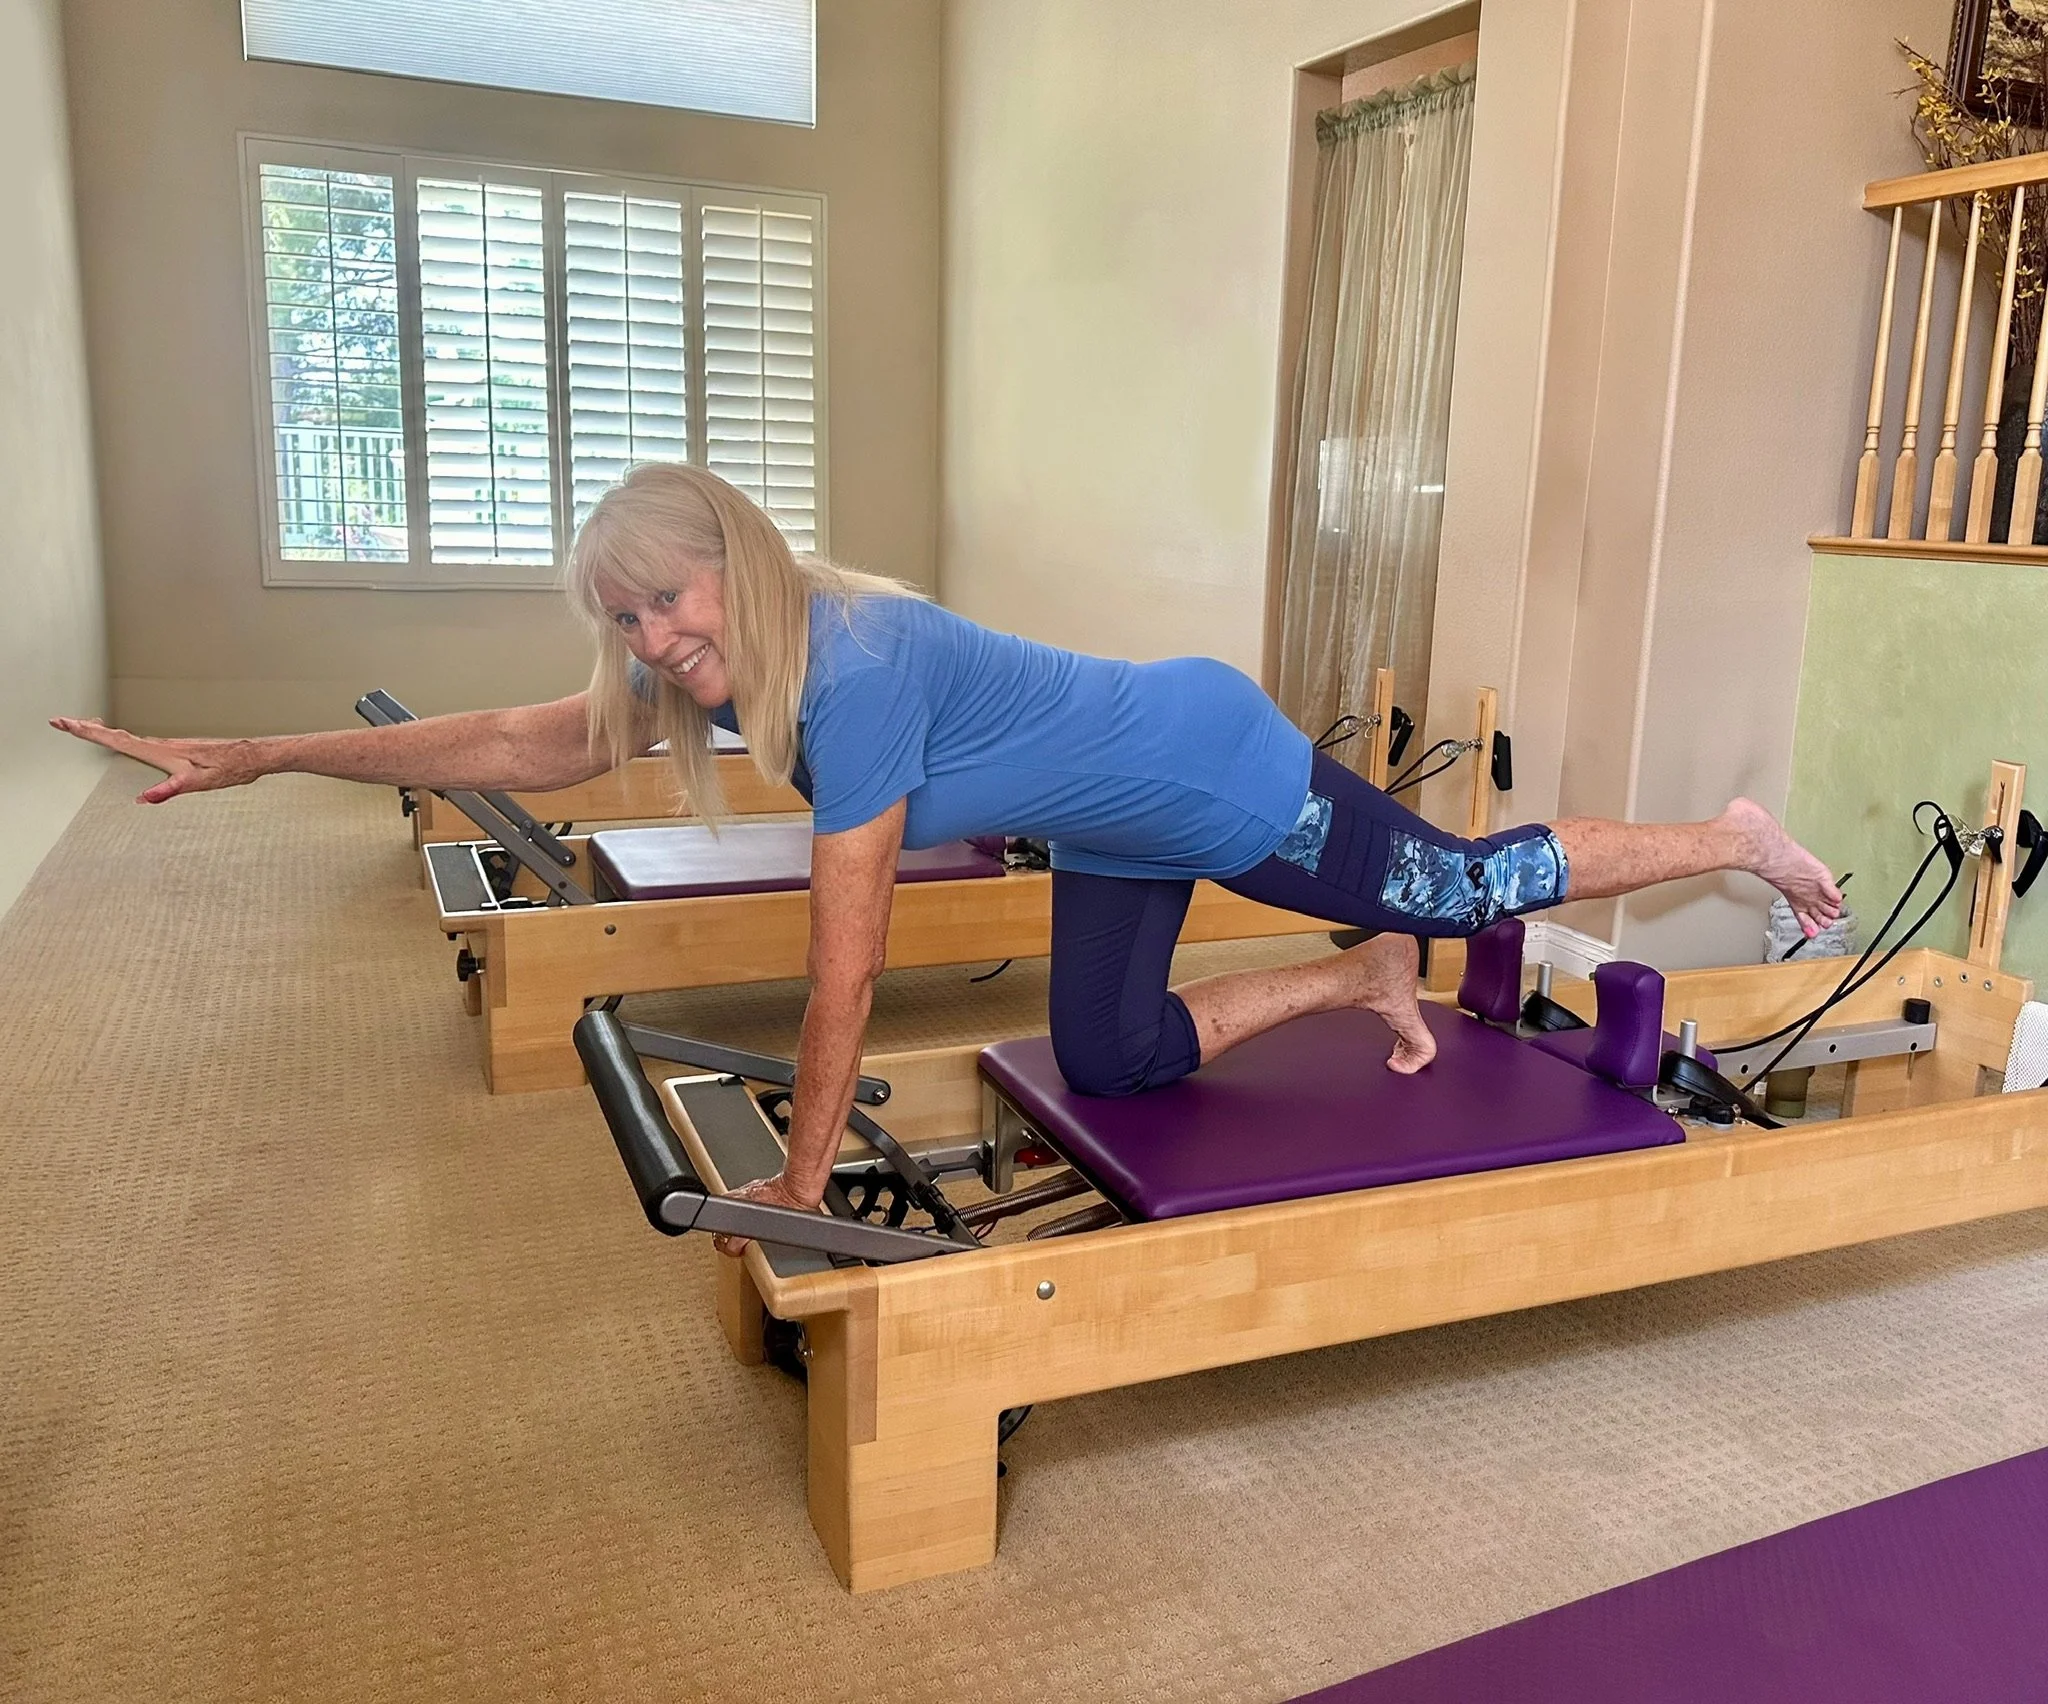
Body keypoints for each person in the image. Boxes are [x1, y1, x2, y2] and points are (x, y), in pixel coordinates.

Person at [54, 464, 1842, 1251]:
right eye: (630, 626)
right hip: (1117, 819)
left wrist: (802, 1179)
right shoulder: (756, 658)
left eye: (669, 603)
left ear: (731, 558)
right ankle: (1356, 970)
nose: (661, 646)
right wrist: (268, 749)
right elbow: (524, 742)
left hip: (1214, 777)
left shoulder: (861, 672)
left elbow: (848, 964)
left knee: (1459, 882)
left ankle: (1729, 836)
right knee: (1125, 1056)